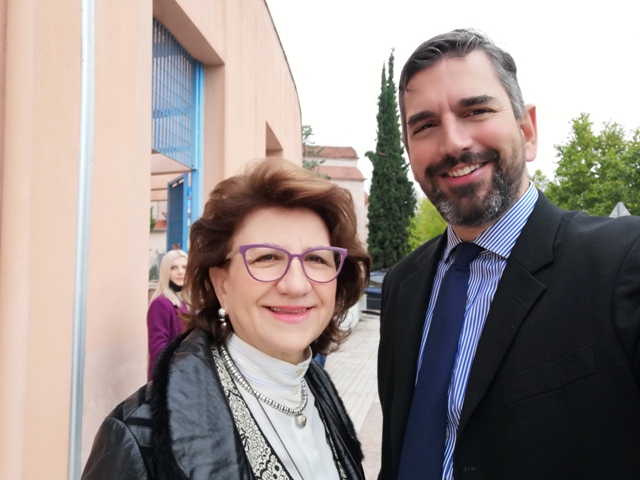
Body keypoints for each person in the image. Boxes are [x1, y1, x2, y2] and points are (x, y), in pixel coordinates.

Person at [377, 28, 640, 480]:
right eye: (425, 125)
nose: (453, 143)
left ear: (527, 129)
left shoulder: (623, 264)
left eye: (476, 110)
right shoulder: (403, 284)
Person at [83, 157, 371, 479]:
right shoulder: (138, 438)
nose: (296, 285)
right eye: (267, 257)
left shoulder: (321, 394)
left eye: (316, 258)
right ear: (222, 284)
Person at [147, 248, 188, 379]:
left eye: (184, 267)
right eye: (173, 268)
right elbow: (158, 351)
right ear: (166, 272)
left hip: (184, 376)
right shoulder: (161, 304)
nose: (180, 272)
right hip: (168, 379)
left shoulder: (186, 303)